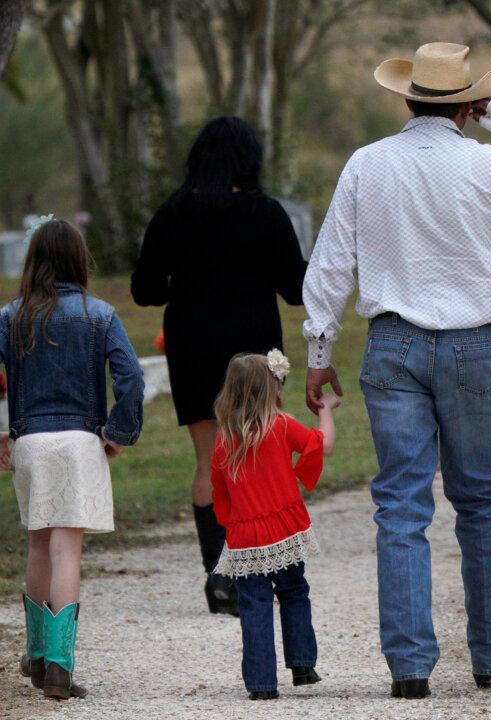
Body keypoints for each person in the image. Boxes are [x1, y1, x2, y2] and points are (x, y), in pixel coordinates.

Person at [303, 42, 491, 698]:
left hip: (393, 346)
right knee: (482, 500)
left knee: (401, 505)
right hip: (473, 347)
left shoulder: (366, 165)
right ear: (470, 106)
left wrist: (318, 356)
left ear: (407, 99)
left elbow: (330, 264)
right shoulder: (487, 160)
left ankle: (408, 666)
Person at [0, 218, 144, 700]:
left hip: (32, 444)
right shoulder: (100, 314)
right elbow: (131, 380)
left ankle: (38, 658)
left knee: (39, 544)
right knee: (67, 551)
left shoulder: (12, 315)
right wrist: (119, 432)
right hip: (81, 442)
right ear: (80, 261)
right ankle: (59, 668)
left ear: (34, 260)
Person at [131, 117, 308, 617]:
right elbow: (297, 290)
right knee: (257, 452)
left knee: (209, 457)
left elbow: (144, 290)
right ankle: (258, 565)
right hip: (253, 351)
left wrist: (183, 287)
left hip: (191, 344)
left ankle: (220, 578)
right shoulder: (266, 213)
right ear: (249, 160)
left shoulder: (173, 212)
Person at [209, 351, 335, 700]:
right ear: (272, 388)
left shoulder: (223, 440)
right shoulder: (281, 426)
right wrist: (324, 411)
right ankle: (302, 664)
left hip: (246, 537)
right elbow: (320, 446)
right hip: (284, 531)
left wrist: (231, 524)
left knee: (254, 605)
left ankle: (262, 684)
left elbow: (219, 493)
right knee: (294, 592)